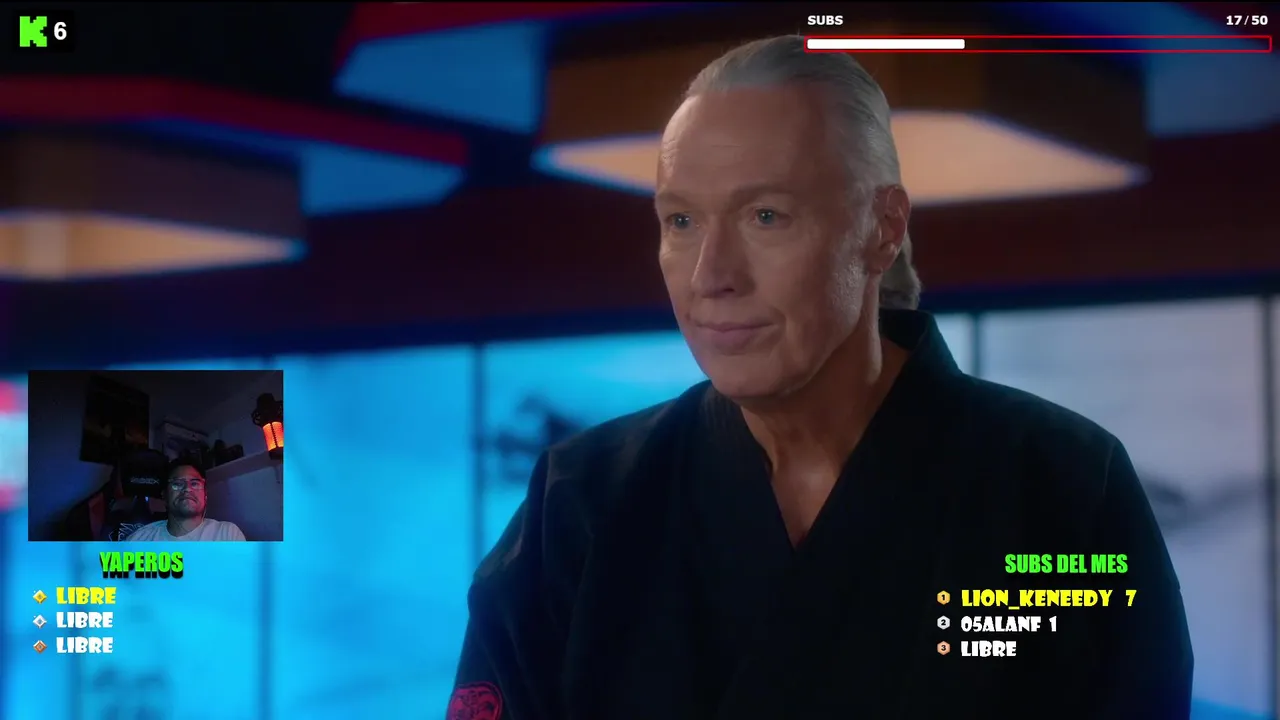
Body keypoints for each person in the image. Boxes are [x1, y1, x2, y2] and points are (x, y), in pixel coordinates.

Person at [451, 35, 1192, 719]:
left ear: (882, 229)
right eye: (681, 222)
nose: (711, 276)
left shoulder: (1059, 482)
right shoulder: (580, 504)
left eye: (766, 216)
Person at [126, 461, 246, 541]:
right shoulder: (138, 540)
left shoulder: (227, 534)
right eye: (177, 484)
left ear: (205, 495)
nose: (187, 489)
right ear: (165, 495)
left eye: (195, 483)